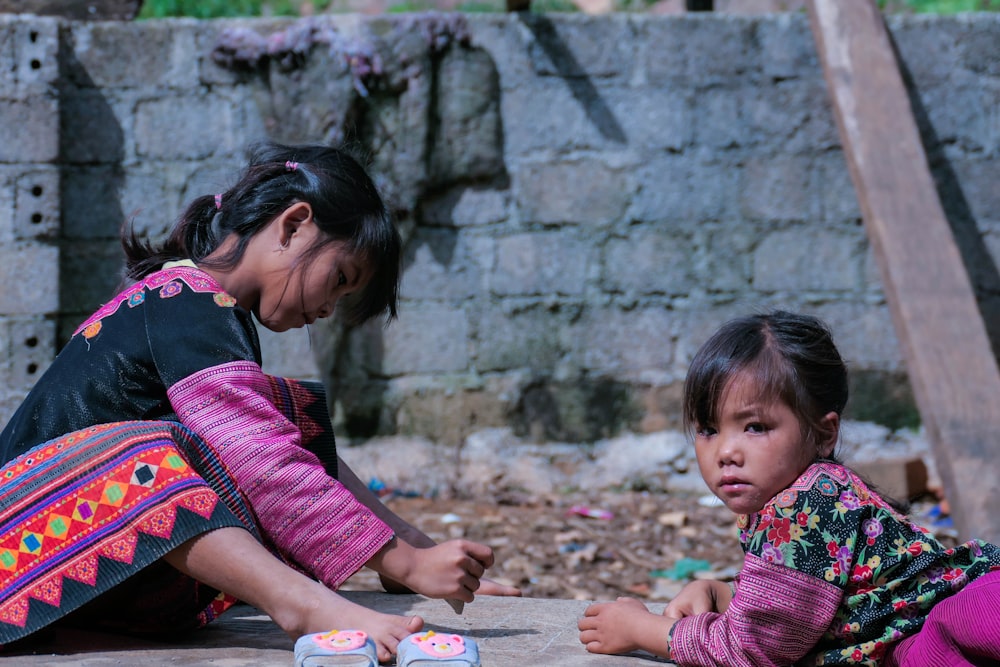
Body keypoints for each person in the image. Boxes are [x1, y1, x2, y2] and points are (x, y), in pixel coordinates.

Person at [0, 142, 518, 663]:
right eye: (338, 280)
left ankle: (389, 562)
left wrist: (417, 556)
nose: (327, 309)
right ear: (293, 226)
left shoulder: (205, 308)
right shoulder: (186, 302)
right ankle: (302, 605)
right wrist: (404, 562)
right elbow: (261, 464)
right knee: (148, 461)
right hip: (18, 560)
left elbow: (273, 446)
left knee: (283, 417)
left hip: (89, 565)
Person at [578, 310, 1000, 666]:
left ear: (823, 434)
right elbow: (805, 607)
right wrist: (723, 593)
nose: (726, 451)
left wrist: (644, 629)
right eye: (708, 429)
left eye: (755, 427)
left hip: (958, 618)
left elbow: (753, 650)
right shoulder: (795, 496)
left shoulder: (810, 500)